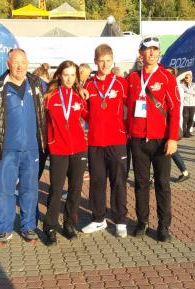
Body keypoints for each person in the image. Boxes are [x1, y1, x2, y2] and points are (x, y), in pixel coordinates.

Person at [0, 48, 47, 245]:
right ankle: (3, 229)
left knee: (30, 189)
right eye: (16, 62)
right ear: (8, 64)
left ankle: (28, 227)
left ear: (28, 63)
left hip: (32, 149)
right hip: (5, 149)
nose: (20, 66)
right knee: (4, 191)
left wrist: (79, 88)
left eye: (23, 62)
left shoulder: (37, 84)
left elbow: (59, 88)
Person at [127, 36, 180, 242]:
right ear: (141, 53)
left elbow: (175, 110)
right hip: (138, 140)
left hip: (161, 141)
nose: (151, 53)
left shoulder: (167, 78)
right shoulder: (131, 79)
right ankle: (142, 221)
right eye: (147, 49)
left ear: (159, 53)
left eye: (155, 49)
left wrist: (173, 138)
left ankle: (164, 226)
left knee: (162, 184)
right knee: (141, 184)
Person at [81, 44, 129, 238]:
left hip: (117, 140)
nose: (105, 64)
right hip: (95, 141)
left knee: (118, 181)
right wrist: (92, 118)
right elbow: (82, 109)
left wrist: (123, 125)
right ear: (95, 61)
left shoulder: (120, 83)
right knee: (98, 182)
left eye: (108, 60)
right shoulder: (88, 85)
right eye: (101, 61)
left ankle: (120, 220)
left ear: (112, 61)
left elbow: (131, 106)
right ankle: (98, 219)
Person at [43, 60, 88, 245]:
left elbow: (89, 116)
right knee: (56, 190)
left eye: (72, 75)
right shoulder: (50, 97)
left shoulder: (79, 97)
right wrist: (49, 144)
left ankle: (69, 224)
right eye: (66, 74)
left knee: (75, 190)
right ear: (59, 75)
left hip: (78, 149)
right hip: (58, 149)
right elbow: (43, 124)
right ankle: (50, 226)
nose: (69, 78)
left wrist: (88, 95)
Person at [165, 67, 190, 183]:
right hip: (166, 122)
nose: (166, 75)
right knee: (170, 149)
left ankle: (156, 178)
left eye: (169, 73)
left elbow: (174, 108)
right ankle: (184, 171)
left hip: (171, 122)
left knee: (165, 150)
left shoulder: (176, 87)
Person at [181, 71, 195, 138]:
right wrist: (191, 93)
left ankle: (188, 131)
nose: (186, 79)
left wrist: (186, 91)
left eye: (187, 77)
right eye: (185, 78)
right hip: (185, 104)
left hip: (192, 104)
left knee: (191, 119)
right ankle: (184, 132)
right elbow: (183, 95)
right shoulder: (182, 85)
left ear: (191, 78)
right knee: (185, 118)